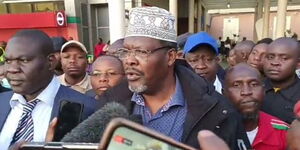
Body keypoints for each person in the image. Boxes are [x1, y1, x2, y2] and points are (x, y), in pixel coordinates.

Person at [99, 7, 249, 149]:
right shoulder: (109, 103)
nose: (129, 60)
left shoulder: (218, 111)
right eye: (125, 52)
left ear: (170, 57)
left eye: (141, 51)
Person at [0, 30, 99, 149]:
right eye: (8, 61)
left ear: (51, 62)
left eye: (24, 60)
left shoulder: (88, 110)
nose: (12, 69)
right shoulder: (2, 102)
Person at [224, 63, 288, 150]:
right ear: (225, 93)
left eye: (254, 84)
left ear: (264, 90)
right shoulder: (213, 132)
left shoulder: (283, 133)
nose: (246, 92)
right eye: (236, 85)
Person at [261, 37, 300, 124]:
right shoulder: (253, 90)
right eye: (270, 57)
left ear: (298, 63)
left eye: (284, 58)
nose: (275, 63)